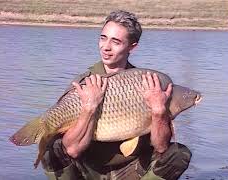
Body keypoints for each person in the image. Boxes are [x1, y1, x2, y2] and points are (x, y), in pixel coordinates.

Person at [41, 10, 191, 180]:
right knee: (52, 149)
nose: (106, 47)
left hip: (132, 169)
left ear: (132, 47)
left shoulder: (149, 84)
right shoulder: (83, 84)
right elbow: (73, 150)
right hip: (89, 170)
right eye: (103, 38)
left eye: (116, 41)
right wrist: (89, 108)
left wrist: (158, 111)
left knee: (178, 154)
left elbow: (161, 146)